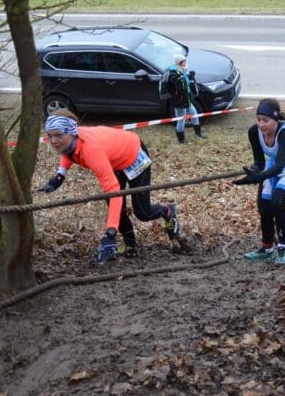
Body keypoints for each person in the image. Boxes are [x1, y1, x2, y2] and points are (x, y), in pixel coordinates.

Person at [39, 110, 181, 263]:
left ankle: (167, 210)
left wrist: (110, 234)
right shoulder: (71, 141)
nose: (53, 141)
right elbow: (68, 152)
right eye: (50, 135)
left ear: (72, 133)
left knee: (143, 212)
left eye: (58, 135)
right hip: (114, 159)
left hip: (133, 153)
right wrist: (60, 175)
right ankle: (130, 245)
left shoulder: (90, 151)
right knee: (115, 207)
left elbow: (114, 191)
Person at [233, 98, 285, 266]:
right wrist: (252, 174)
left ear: (276, 119)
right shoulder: (254, 132)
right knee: (264, 204)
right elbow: (259, 162)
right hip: (275, 164)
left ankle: (283, 248)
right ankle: (267, 248)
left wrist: (258, 178)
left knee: (277, 201)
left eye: (266, 120)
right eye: (258, 119)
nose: (261, 124)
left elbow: (281, 165)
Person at [167, 54, 206, 144]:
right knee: (181, 120)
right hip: (179, 102)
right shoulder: (174, 74)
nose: (186, 62)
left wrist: (191, 77)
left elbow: (188, 84)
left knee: (194, 114)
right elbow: (179, 88)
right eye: (184, 61)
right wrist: (181, 78)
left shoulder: (182, 71)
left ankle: (198, 133)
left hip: (186, 99)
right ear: (180, 63)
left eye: (185, 60)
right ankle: (181, 139)